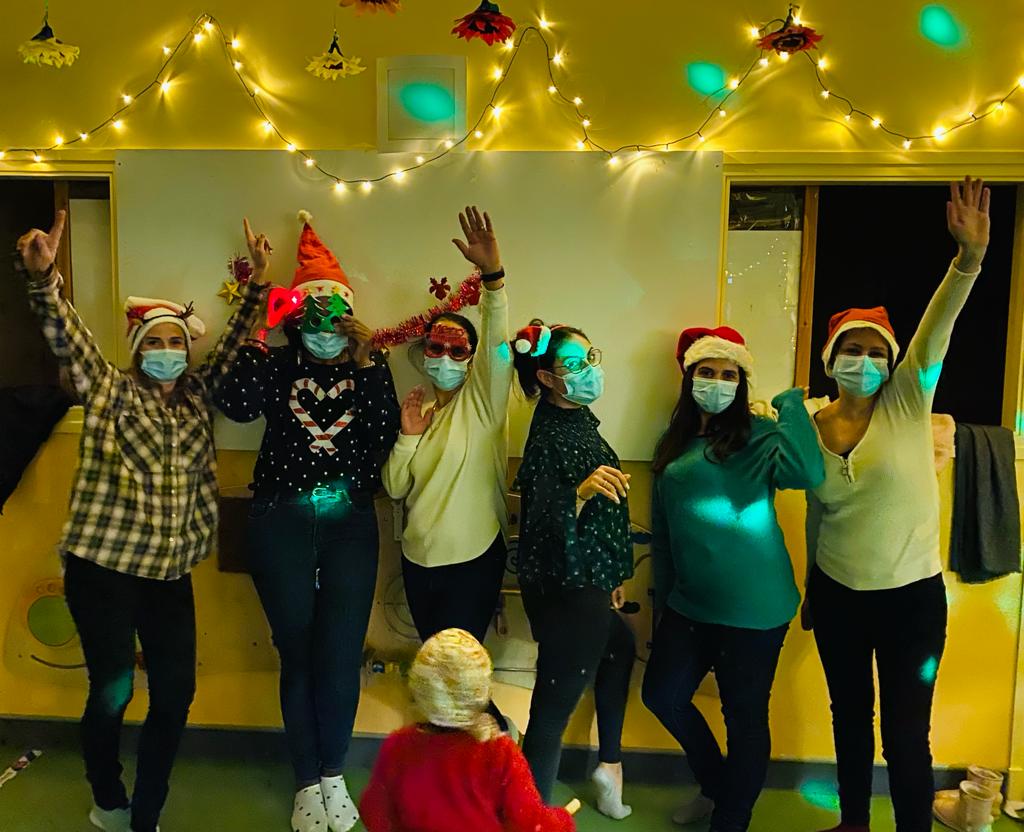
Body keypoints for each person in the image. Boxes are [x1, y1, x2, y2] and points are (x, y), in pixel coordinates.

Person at [15, 212, 266, 832]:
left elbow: (233, 342)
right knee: (114, 690)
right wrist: (44, 280)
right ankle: (107, 796)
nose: (167, 352)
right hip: (102, 569)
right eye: (154, 343)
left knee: (176, 693)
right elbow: (67, 336)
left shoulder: (199, 398)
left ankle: (147, 810)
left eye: (176, 342)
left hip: (168, 575)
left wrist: (258, 283)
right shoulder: (108, 390)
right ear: (136, 351)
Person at [803, 176, 991, 832]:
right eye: (852, 351)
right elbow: (819, 512)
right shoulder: (812, 424)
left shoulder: (909, 399)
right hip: (837, 597)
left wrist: (967, 260)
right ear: (832, 359)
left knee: (906, 734)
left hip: (912, 601)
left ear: (892, 363)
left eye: (875, 352)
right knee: (849, 721)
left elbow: (937, 330)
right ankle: (853, 823)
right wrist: (810, 589)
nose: (864, 360)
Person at [214, 213, 400, 832]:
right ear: (297, 318)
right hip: (281, 518)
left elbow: (381, 437)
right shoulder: (275, 364)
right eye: (313, 320)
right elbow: (236, 406)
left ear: (350, 319)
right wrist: (258, 329)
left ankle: (333, 772)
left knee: (340, 654)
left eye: (335, 321)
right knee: (296, 655)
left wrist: (369, 364)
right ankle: (305, 781)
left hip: (349, 521)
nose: (324, 333)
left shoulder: (369, 366)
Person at [641, 326, 824, 832]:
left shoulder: (759, 435)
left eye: (729, 375)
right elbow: (663, 533)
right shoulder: (671, 442)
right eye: (708, 372)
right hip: (689, 605)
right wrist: (662, 603)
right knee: (662, 696)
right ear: (690, 377)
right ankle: (716, 787)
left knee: (744, 719)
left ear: (742, 383)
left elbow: (808, 473)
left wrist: (789, 406)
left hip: (755, 610)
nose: (717, 383)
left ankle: (731, 818)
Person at [381, 206, 513, 730]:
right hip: (419, 559)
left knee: (462, 674)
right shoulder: (422, 409)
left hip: (472, 559)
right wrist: (408, 438)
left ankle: (493, 748)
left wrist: (493, 277)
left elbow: (497, 341)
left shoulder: (484, 403)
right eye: (435, 347)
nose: (443, 356)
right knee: (436, 672)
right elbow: (395, 487)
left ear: (472, 359)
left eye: (457, 349)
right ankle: (458, 752)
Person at [511, 320, 636, 818]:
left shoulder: (580, 419)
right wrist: (577, 493)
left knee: (620, 648)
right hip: (568, 585)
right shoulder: (547, 436)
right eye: (574, 364)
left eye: (590, 358)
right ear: (546, 378)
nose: (589, 371)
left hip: (593, 576)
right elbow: (538, 520)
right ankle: (529, 816)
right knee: (551, 709)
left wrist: (615, 575)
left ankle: (609, 766)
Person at [359, 628, 576, 832]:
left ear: (418, 686)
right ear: (481, 690)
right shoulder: (499, 752)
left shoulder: (399, 745)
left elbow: (374, 812)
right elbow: (529, 822)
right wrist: (562, 820)